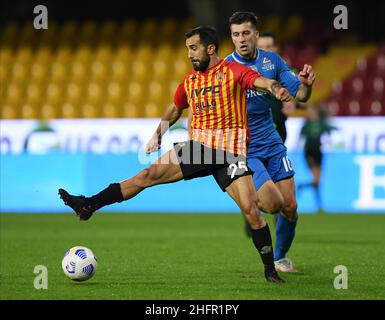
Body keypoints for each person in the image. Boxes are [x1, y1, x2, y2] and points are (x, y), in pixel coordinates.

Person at [58, 25, 293, 283]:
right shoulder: (190, 81)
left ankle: (270, 270)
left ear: (210, 49)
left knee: (252, 211)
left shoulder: (232, 71)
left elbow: (258, 81)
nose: (190, 54)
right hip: (199, 149)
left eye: (194, 48)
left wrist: (273, 87)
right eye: (187, 49)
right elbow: (174, 109)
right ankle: (88, 204)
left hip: (230, 153)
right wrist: (158, 134)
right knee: (148, 174)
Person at [225, 12, 316, 273]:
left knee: (290, 208)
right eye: (235, 34)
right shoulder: (226, 68)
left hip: (273, 143)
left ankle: (280, 257)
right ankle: (248, 201)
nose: (241, 39)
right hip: (245, 148)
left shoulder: (271, 61)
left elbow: (300, 94)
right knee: (273, 204)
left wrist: (306, 86)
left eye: (245, 33)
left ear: (255, 34)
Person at [298, 105, 336, 212]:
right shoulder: (306, 126)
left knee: (317, 182)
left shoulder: (322, 124)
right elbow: (299, 140)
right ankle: (319, 205)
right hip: (309, 153)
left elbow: (330, 133)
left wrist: (331, 148)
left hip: (319, 153)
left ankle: (303, 187)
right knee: (316, 180)